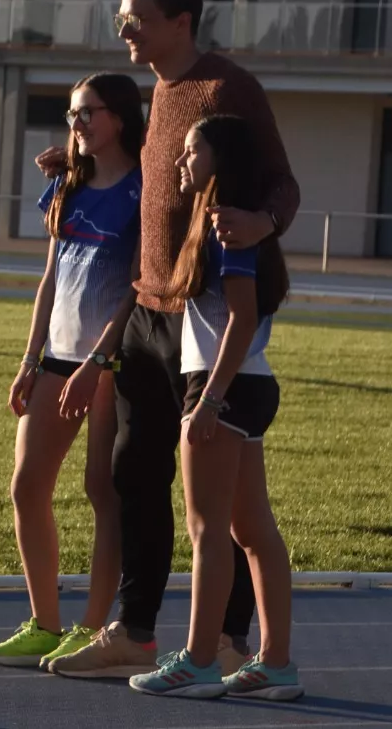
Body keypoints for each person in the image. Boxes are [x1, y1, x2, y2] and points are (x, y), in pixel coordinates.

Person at [42, 0, 299, 680]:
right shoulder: (158, 92)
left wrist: (264, 220)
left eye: (135, 19)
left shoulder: (226, 89)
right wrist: (80, 156)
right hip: (144, 313)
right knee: (134, 474)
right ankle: (137, 630)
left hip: (201, 319)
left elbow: (282, 179)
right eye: (121, 19)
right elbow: (153, 183)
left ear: (181, 22)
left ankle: (226, 640)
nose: (123, 30)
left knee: (221, 505)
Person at [129, 115, 300, 701]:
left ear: (220, 159)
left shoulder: (228, 223)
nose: (181, 162)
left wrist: (209, 400)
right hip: (246, 386)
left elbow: (243, 317)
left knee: (207, 532)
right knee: (251, 530)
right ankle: (274, 662)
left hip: (224, 386)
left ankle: (200, 660)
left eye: (191, 151)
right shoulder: (229, 221)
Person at [0, 73, 142, 671]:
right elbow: (50, 278)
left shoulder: (143, 188)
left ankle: (93, 628)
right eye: (72, 114)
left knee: (102, 493)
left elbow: (136, 288)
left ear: (119, 118)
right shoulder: (66, 186)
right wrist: (30, 359)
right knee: (26, 487)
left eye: (88, 113)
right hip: (56, 357)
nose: (76, 124)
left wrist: (99, 360)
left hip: (112, 360)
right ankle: (44, 623)